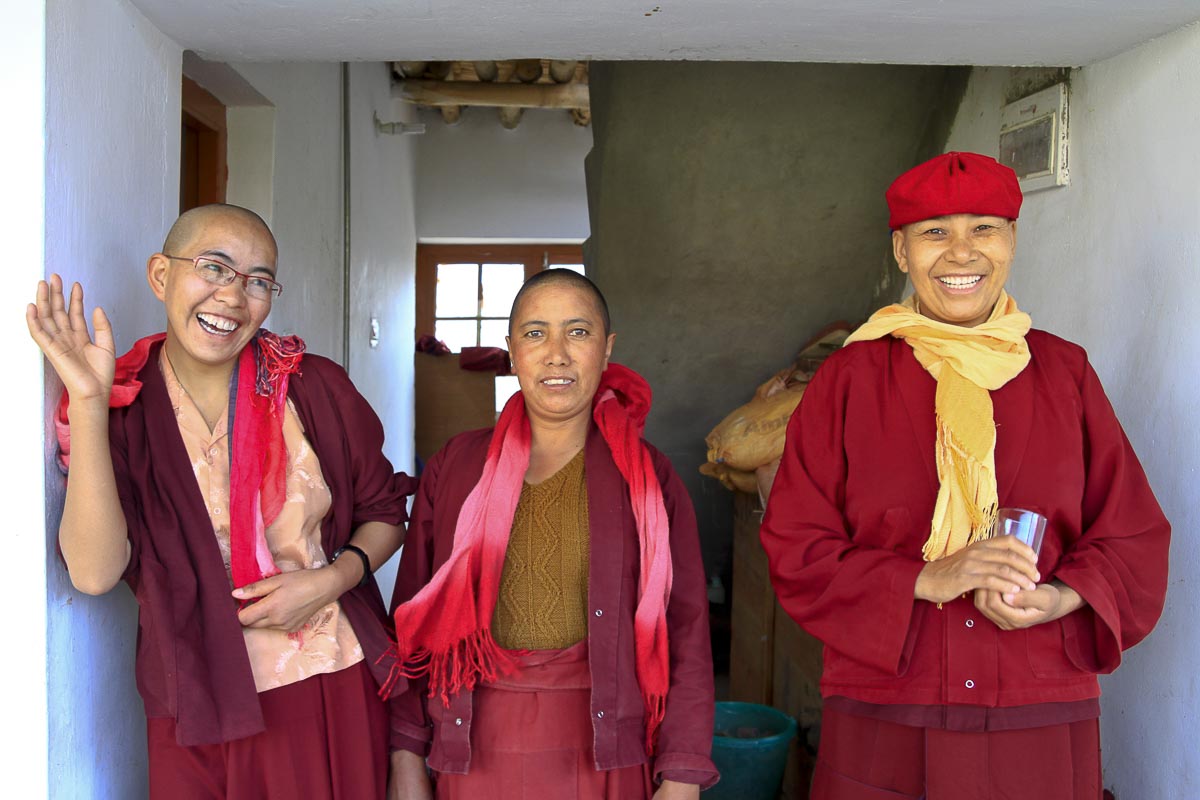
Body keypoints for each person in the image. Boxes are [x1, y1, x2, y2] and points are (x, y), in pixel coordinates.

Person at [759, 152, 1170, 799]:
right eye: (934, 232)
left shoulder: (1064, 375)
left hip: (1035, 703)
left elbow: (1132, 533)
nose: (961, 253)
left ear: (1011, 241)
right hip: (890, 704)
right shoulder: (850, 381)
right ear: (900, 250)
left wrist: (1063, 597)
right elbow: (795, 546)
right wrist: (925, 577)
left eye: (984, 228)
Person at [27, 204, 415, 799]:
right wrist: (88, 400)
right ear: (161, 275)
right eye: (214, 267)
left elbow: (386, 513)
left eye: (258, 281)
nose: (234, 296)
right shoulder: (127, 412)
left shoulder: (313, 388)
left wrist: (329, 580)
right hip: (193, 695)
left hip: (324, 679)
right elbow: (95, 571)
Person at [386, 269, 718, 799]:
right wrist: (405, 755)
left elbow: (686, 632)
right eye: (535, 333)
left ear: (607, 350)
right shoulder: (456, 467)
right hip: (470, 744)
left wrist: (681, 773)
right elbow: (410, 625)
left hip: (605, 745)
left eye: (579, 332)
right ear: (511, 350)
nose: (557, 354)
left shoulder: (647, 477)